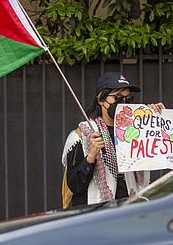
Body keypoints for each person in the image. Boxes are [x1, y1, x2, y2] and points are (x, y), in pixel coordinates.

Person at [61, 72, 165, 207]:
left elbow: (158, 153)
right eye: (118, 97)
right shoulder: (83, 135)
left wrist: (154, 119)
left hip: (130, 212)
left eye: (128, 99)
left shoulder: (136, 130)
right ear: (101, 100)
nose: (124, 103)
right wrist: (91, 156)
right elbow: (75, 186)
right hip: (96, 215)